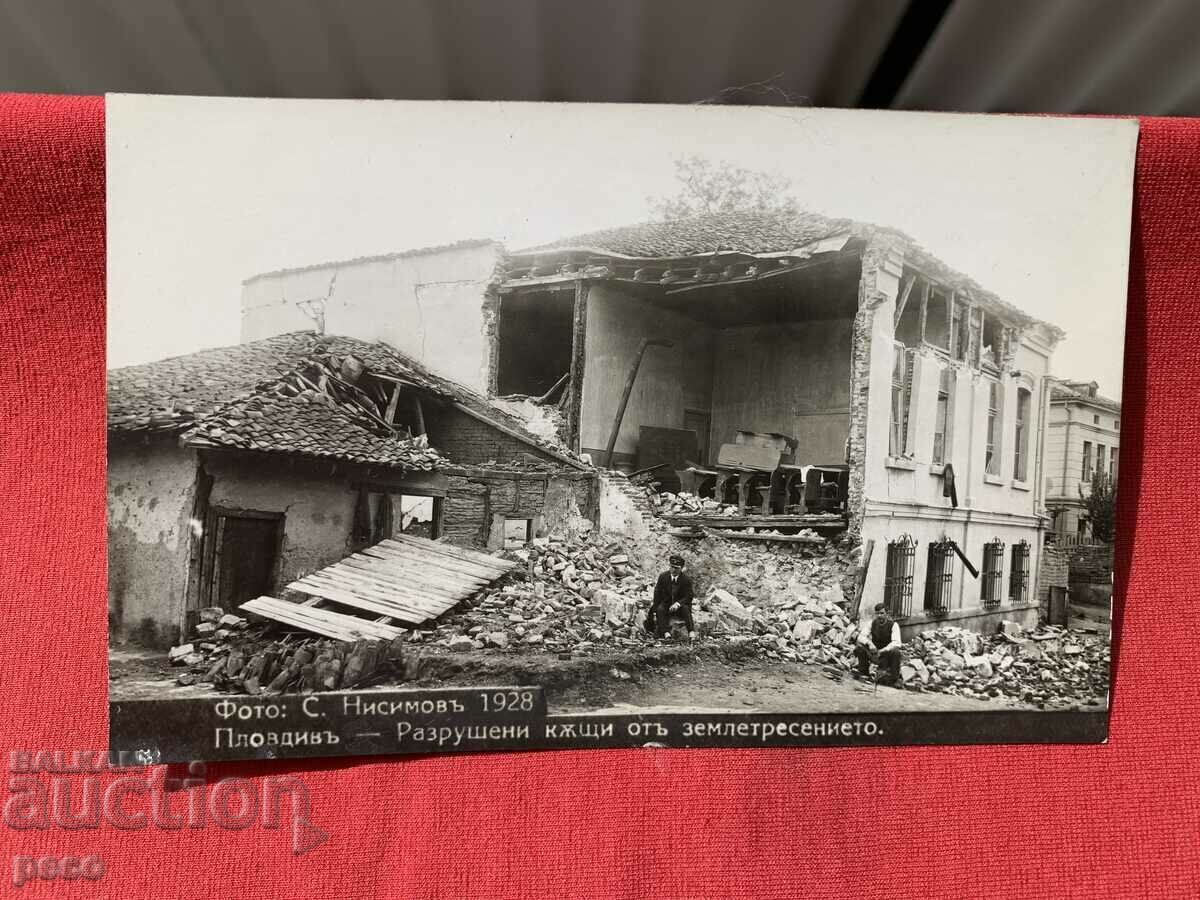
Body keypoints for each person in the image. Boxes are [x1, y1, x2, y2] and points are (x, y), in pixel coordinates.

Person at [645, 554, 695, 640]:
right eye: (672, 567)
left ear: (681, 568)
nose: (673, 570)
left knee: (686, 609)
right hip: (666, 604)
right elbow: (657, 592)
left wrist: (678, 603)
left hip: (680, 606)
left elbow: (689, 596)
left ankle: (691, 632)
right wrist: (655, 607)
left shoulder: (686, 580)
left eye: (676, 568)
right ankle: (666, 633)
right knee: (660, 609)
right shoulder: (663, 577)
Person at [854, 602, 902, 685]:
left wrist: (883, 650)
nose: (879, 616)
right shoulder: (872, 623)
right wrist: (870, 643)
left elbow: (896, 642)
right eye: (877, 614)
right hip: (874, 653)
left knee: (896, 652)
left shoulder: (894, 625)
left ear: (887, 614)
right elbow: (861, 637)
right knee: (859, 648)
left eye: (882, 613)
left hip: (886, 655)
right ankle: (864, 672)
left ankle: (894, 679)